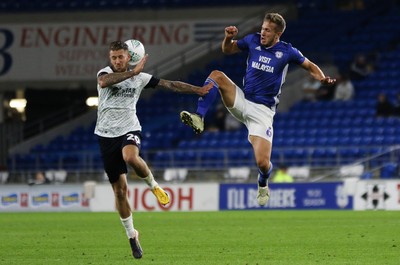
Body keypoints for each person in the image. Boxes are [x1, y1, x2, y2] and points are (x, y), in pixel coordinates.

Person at [179, 12, 335, 206]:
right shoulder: (252, 40)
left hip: (263, 112)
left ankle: (263, 183)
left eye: (267, 30)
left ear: (277, 35)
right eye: (262, 28)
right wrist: (228, 37)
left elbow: (310, 65)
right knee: (217, 75)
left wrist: (321, 78)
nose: (262, 33)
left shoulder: (287, 51)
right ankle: (199, 116)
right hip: (243, 100)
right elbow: (228, 50)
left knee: (262, 163)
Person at [95, 40, 211, 259]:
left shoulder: (140, 77)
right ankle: (132, 235)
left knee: (130, 156)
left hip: (129, 128)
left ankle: (154, 186)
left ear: (129, 57)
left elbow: (171, 85)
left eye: (121, 57)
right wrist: (133, 74)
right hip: (105, 135)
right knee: (120, 192)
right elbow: (103, 82)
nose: (117, 61)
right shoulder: (106, 73)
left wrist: (199, 90)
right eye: (114, 57)